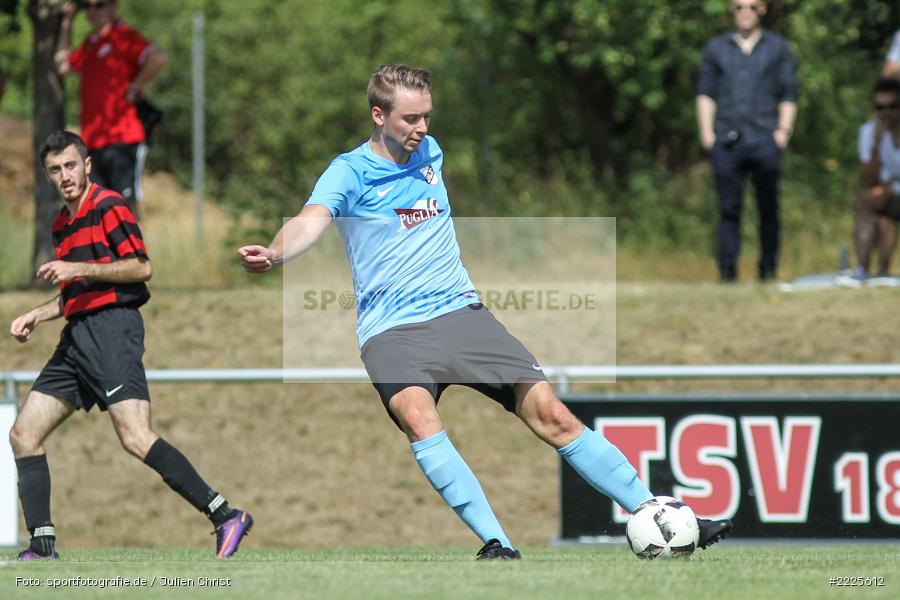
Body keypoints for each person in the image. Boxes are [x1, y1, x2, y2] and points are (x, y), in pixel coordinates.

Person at [238, 64, 733, 559]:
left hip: (462, 315)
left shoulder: (429, 152)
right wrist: (276, 253)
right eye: (411, 119)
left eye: (427, 117)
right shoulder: (348, 171)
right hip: (393, 332)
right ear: (377, 115)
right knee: (418, 416)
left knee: (553, 414)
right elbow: (310, 220)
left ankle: (660, 516)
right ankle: (498, 544)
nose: (423, 129)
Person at [8, 131, 252, 560]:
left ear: (86, 165)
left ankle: (225, 515)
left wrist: (76, 266)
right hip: (77, 337)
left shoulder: (109, 206)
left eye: (70, 165)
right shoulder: (62, 222)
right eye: (54, 170)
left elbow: (142, 266)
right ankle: (42, 545)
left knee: (136, 437)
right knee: (24, 434)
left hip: (112, 332)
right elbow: (75, 294)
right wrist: (36, 314)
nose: (64, 176)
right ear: (47, 175)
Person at [697, 0, 799, 282]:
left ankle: (767, 271)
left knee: (768, 209)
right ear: (731, 10)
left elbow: (789, 92)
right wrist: (707, 135)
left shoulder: (778, 48)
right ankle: (727, 273)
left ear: (762, 9)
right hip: (727, 140)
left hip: (765, 138)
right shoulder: (716, 49)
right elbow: (705, 92)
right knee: (728, 209)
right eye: (739, 6)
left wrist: (783, 133)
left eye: (752, 6)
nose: (745, 11)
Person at [55, 0, 167, 216]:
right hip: (93, 141)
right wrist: (67, 23)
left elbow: (158, 58)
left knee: (125, 207)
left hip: (123, 139)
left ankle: (132, 250)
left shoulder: (124, 36)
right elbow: (62, 64)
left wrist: (137, 85)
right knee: (98, 209)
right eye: (88, 6)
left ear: (113, 7)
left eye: (99, 5)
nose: (93, 11)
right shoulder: (90, 44)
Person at [853, 79, 900, 278]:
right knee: (873, 203)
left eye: (892, 107)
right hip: (891, 198)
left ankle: (879, 273)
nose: (885, 113)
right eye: (880, 108)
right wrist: (876, 144)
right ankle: (864, 270)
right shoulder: (869, 132)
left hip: (894, 192)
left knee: (882, 201)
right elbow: (871, 181)